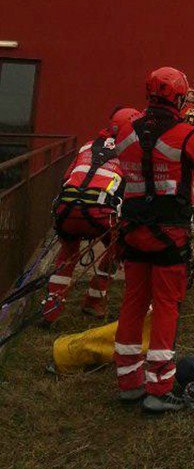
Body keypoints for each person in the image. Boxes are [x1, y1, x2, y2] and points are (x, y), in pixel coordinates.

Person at [112, 67, 194, 413]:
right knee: (167, 305)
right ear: (179, 98)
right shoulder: (185, 134)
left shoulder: (127, 130)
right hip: (169, 236)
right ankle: (159, 387)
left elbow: (137, 142)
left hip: (133, 232)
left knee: (133, 303)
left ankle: (128, 381)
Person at [41, 107, 139, 325]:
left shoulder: (87, 145)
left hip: (67, 209)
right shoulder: (132, 151)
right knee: (117, 250)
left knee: (67, 254)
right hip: (101, 214)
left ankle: (51, 307)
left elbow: (68, 176)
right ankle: (95, 300)